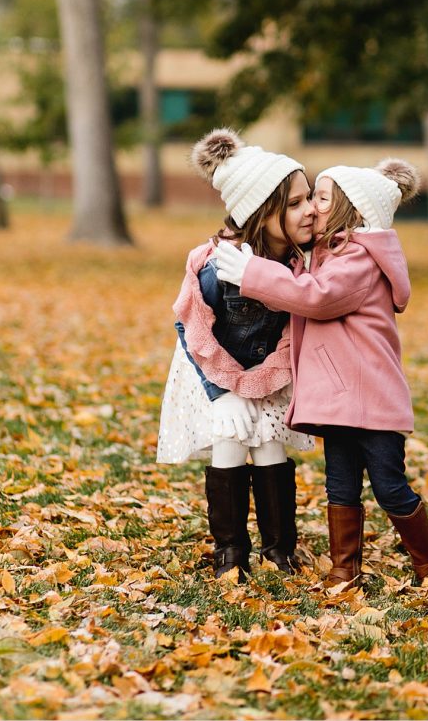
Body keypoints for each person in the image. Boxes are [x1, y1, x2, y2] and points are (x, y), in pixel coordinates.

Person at [214, 158, 428, 587]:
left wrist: (252, 274)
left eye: (322, 198)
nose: (314, 208)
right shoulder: (326, 256)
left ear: (349, 210)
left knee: (388, 486)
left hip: (372, 400)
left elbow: (318, 298)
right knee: (339, 487)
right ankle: (345, 567)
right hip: (339, 402)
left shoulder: (357, 258)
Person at [157, 128, 315, 580]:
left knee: (269, 445)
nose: (309, 211)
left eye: (310, 199)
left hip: (268, 372)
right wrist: (221, 392)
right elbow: (191, 327)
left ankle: (279, 549)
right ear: (261, 212)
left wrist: (267, 377)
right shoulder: (216, 267)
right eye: (296, 203)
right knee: (229, 442)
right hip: (214, 371)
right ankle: (230, 551)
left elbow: (295, 328)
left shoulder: (298, 264)